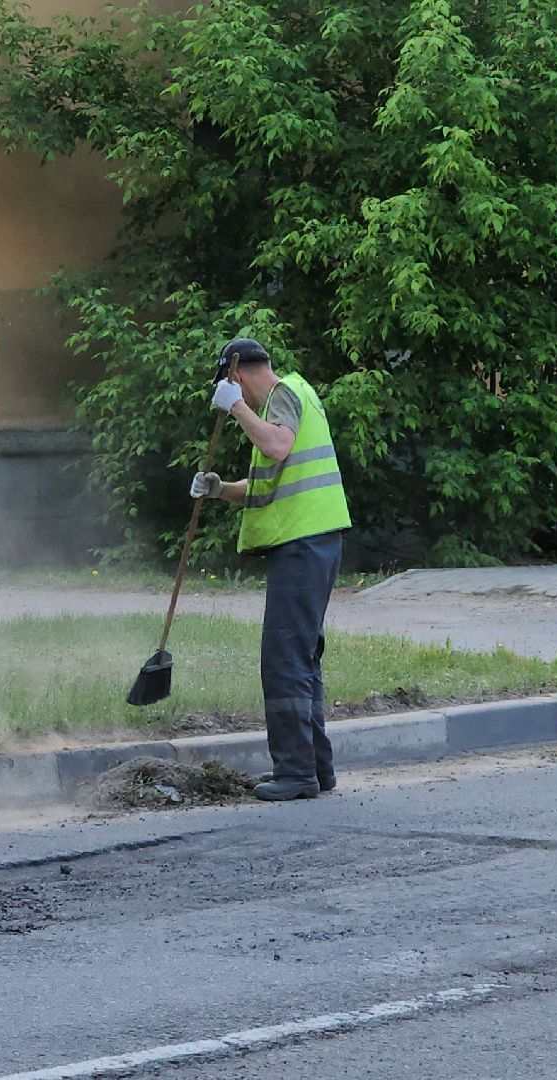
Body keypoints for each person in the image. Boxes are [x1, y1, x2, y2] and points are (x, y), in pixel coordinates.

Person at [189, 338, 351, 801]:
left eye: (229, 385)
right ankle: (316, 770)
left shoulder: (282, 395)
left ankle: (296, 773)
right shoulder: (292, 398)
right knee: (301, 660)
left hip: (303, 543)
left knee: (283, 659)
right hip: (311, 541)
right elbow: (265, 483)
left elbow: (278, 447)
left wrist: (237, 408)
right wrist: (219, 489)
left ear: (236, 374)